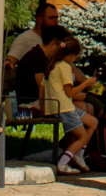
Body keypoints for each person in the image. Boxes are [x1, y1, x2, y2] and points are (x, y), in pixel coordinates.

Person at [40, 36, 100, 174]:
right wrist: (86, 84)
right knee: (82, 136)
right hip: (64, 107)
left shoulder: (52, 65)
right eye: (75, 57)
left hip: (62, 106)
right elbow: (69, 92)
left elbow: (42, 87)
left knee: (93, 122)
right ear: (72, 55)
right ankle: (62, 164)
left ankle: (78, 156)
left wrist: (44, 106)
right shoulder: (65, 67)